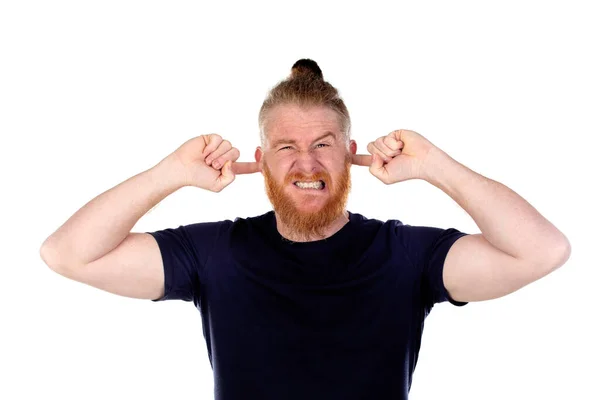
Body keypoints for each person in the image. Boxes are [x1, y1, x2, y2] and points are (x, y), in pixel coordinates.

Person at [40, 59, 571, 400]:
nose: (306, 163)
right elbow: (68, 254)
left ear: (349, 153)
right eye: (286, 147)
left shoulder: (405, 253)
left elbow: (542, 251)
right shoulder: (214, 252)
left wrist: (436, 165)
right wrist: (170, 175)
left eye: (322, 144)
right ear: (262, 160)